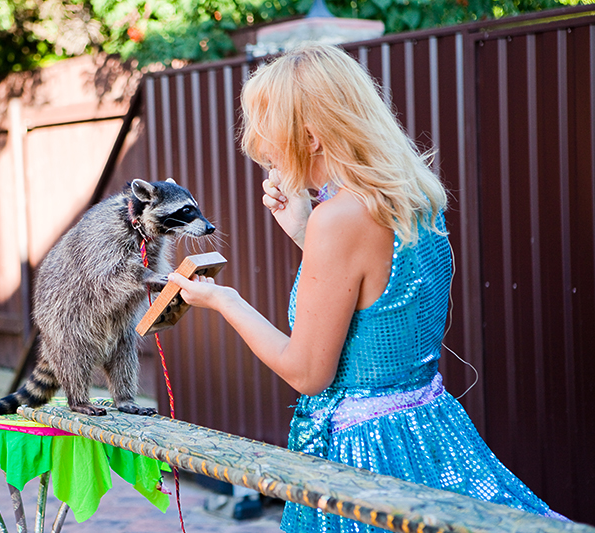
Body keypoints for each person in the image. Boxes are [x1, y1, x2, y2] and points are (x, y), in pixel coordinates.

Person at [168, 45, 565, 532]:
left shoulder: (339, 218)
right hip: (430, 426)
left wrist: (223, 300)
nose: (259, 145)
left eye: (266, 130)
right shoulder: (412, 193)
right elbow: (377, 304)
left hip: (368, 452)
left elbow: (308, 373)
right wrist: (303, 230)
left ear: (310, 136)